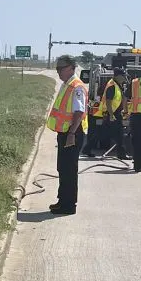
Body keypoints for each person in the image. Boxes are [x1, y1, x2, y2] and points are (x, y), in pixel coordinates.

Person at [47, 55, 88, 215]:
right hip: (65, 133)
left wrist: (71, 133)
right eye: (57, 68)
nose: (58, 71)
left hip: (72, 133)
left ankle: (69, 205)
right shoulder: (67, 84)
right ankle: (62, 201)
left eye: (61, 68)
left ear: (71, 67)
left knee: (69, 170)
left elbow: (79, 112)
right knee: (63, 168)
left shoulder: (76, 86)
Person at [83, 68, 127, 159]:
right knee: (118, 134)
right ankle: (122, 155)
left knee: (102, 133)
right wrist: (111, 115)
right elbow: (108, 101)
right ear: (118, 76)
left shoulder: (117, 85)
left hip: (113, 113)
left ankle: (87, 149)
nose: (124, 78)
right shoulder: (112, 85)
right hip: (111, 114)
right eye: (123, 76)